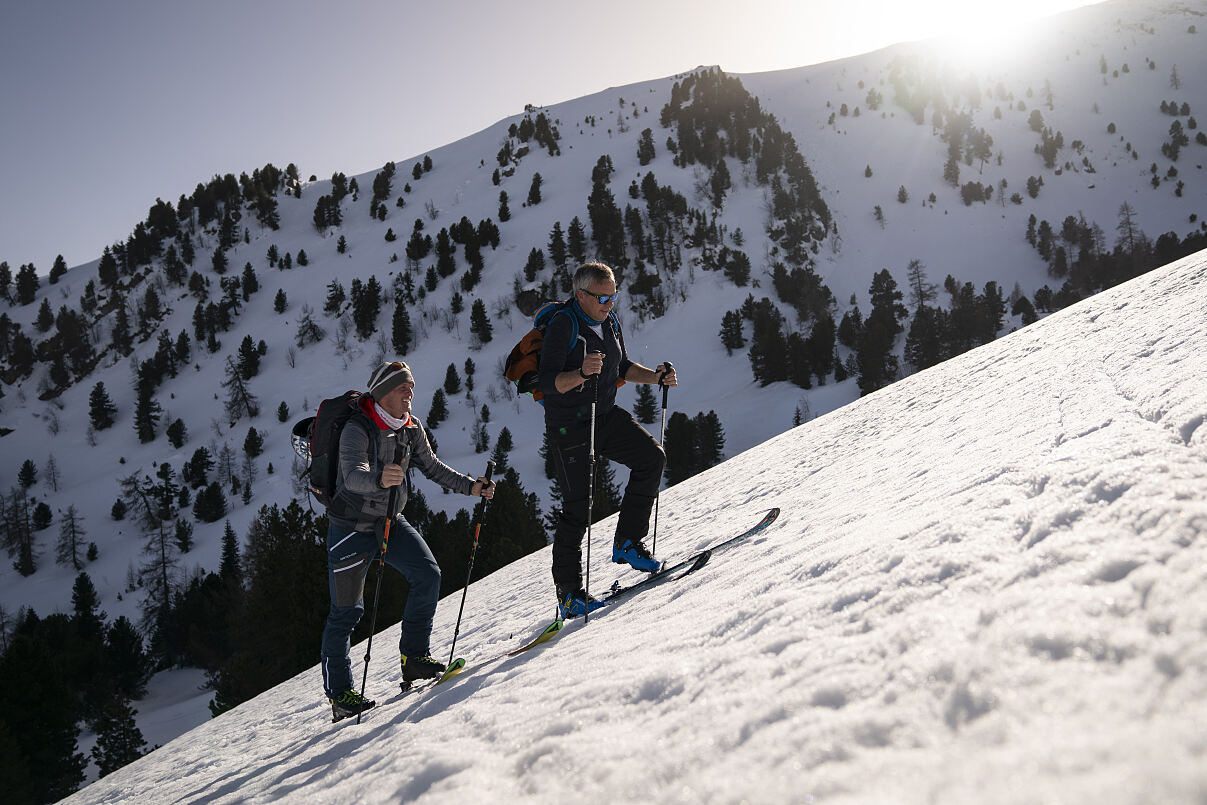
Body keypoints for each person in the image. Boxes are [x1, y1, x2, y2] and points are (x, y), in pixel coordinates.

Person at [321, 360, 495, 720]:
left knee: (428, 575)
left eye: (411, 387)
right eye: (403, 388)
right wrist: (380, 480)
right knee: (347, 613)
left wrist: (472, 487)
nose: (410, 394)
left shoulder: (411, 428)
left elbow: (432, 467)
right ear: (383, 393)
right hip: (351, 527)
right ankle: (340, 696)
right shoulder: (358, 428)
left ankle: (414, 658)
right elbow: (351, 475)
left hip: (390, 521)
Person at [538, 262, 678, 618]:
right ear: (581, 294)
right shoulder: (563, 325)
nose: (610, 302)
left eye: (614, 295)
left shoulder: (610, 322)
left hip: (605, 416)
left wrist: (656, 378)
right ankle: (568, 593)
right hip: (569, 426)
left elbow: (623, 366)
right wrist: (581, 372)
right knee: (577, 507)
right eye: (602, 296)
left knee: (651, 457)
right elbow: (549, 383)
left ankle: (627, 542)